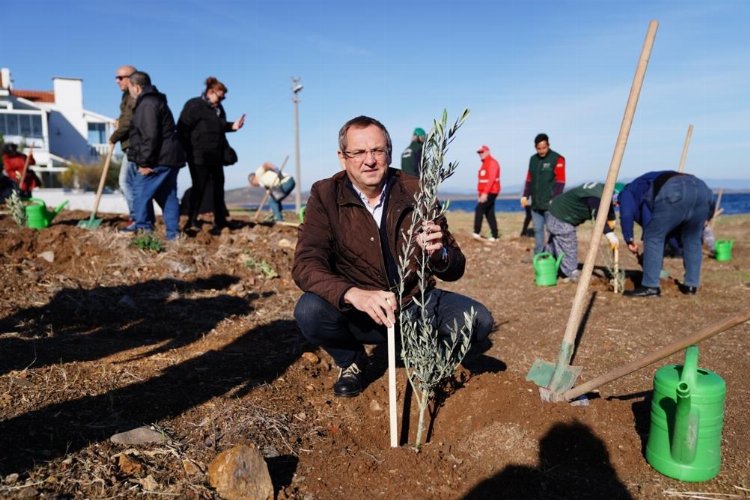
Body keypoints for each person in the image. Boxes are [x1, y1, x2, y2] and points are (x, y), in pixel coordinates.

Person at [292, 116, 494, 398]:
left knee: (478, 320)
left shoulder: (416, 189)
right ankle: (351, 361)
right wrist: (354, 294)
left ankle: (421, 356)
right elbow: (305, 264)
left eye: (377, 150)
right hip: (359, 313)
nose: (369, 160)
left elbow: (455, 267)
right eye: (358, 152)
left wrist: (439, 254)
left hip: (414, 303)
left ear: (389, 151)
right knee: (309, 310)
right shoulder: (325, 195)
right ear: (342, 157)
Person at [618, 171, 712, 297]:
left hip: (674, 190)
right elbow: (663, 227)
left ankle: (650, 287)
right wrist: (708, 216)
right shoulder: (643, 188)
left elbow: (626, 214)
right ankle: (691, 286)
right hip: (702, 189)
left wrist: (629, 238)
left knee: (652, 237)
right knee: (692, 239)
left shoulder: (626, 191)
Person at [178, 76, 245, 234]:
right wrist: (185, 152)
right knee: (199, 188)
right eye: (220, 96)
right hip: (198, 156)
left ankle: (220, 222)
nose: (221, 100)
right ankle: (191, 221)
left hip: (216, 157)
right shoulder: (194, 105)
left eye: (223, 97)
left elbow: (220, 127)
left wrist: (232, 126)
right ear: (210, 91)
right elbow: (182, 129)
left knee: (218, 188)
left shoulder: (219, 109)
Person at [124, 71, 185, 240]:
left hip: (158, 159)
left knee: (140, 191)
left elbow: (150, 136)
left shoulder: (147, 104)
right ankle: (173, 236)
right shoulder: (155, 101)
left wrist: (144, 162)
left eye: (129, 87)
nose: (129, 91)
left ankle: (145, 233)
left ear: (136, 87)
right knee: (167, 195)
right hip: (170, 157)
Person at [545, 182, 620, 283]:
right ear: (613, 193)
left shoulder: (603, 189)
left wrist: (612, 218)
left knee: (556, 244)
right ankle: (571, 273)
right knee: (568, 243)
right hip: (560, 216)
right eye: (617, 200)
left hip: (555, 210)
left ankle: (545, 266)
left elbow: (607, 203)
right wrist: (609, 234)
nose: (617, 204)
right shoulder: (595, 197)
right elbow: (599, 218)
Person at [521, 133, 566, 254]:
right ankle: (539, 255)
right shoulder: (533, 159)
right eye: (538, 148)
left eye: (544, 148)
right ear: (535, 147)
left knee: (552, 230)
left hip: (550, 203)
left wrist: (555, 198)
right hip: (536, 203)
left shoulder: (557, 158)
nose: (541, 151)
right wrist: (525, 195)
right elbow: (529, 179)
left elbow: (561, 181)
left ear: (548, 145)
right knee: (537, 230)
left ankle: (553, 254)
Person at [109, 65, 138, 228]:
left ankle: (137, 218)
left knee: (125, 182)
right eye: (116, 77)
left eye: (120, 77)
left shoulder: (134, 96)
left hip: (134, 146)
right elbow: (126, 119)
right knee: (134, 184)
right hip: (131, 145)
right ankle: (140, 218)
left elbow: (129, 122)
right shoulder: (127, 97)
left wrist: (114, 137)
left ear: (131, 78)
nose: (117, 81)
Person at [472, 145, 501, 241]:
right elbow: (482, 181)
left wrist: (485, 193)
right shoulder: (484, 164)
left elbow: (491, 179)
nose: (480, 154)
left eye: (482, 152)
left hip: (491, 192)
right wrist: (480, 194)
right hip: (485, 193)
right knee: (489, 213)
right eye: (479, 152)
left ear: (487, 151)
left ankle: (476, 232)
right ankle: (495, 235)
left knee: (479, 210)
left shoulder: (492, 163)